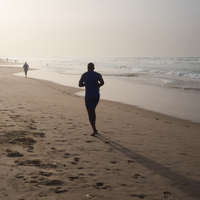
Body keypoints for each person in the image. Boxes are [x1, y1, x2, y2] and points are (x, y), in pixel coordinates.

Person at [79, 63, 104, 136]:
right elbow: (102, 82)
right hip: (96, 95)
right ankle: (94, 127)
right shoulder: (98, 75)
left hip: (89, 96)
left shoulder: (84, 75)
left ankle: (94, 129)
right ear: (94, 68)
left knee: (90, 113)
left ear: (87, 68)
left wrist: (86, 84)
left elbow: (80, 85)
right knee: (93, 111)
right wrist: (97, 85)